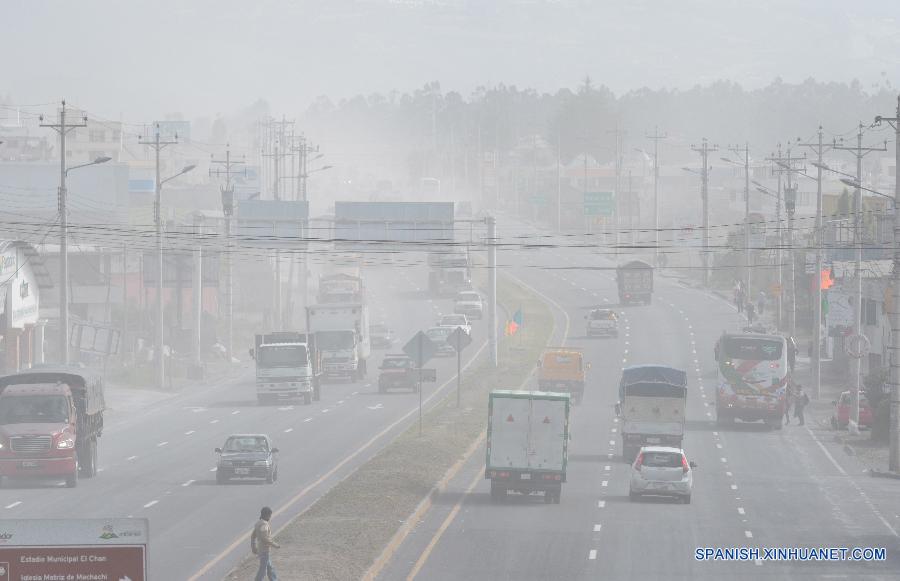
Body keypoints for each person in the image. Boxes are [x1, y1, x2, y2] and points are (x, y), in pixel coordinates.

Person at [251, 506, 280, 581]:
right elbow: (265, 538)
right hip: (264, 550)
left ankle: (274, 579)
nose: (270, 517)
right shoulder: (264, 525)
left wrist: (253, 547)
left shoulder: (258, 523)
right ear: (267, 515)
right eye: (270, 515)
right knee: (263, 570)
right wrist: (275, 545)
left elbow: (253, 536)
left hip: (261, 550)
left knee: (269, 567)